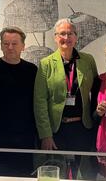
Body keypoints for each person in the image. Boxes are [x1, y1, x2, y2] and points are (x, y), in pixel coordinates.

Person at [33, 18, 99, 152]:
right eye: (62, 33)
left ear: (76, 37)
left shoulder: (88, 60)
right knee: (56, 164)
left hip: (83, 128)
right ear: (55, 37)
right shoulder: (46, 64)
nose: (66, 37)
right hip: (56, 130)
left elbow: (97, 91)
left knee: (84, 165)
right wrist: (46, 135)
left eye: (70, 33)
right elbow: (40, 102)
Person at [0, 26, 38, 149]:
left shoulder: (32, 70)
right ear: (1, 46)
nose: (10, 47)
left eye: (14, 44)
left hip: (26, 137)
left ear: (23, 46)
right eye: (6, 44)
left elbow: (38, 104)